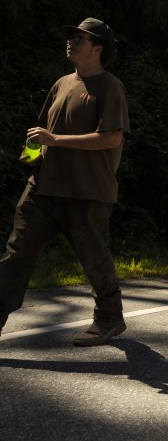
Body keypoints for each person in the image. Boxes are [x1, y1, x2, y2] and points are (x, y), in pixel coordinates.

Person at [0, 18, 130, 346]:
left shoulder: (109, 86)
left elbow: (111, 138)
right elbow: (41, 128)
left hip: (88, 192)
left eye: (79, 38)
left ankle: (110, 319)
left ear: (97, 47)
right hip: (43, 187)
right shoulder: (61, 84)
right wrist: (33, 151)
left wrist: (55, 139)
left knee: (93, 257)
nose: (70, 41)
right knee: (16, 253)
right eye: (70, 36)